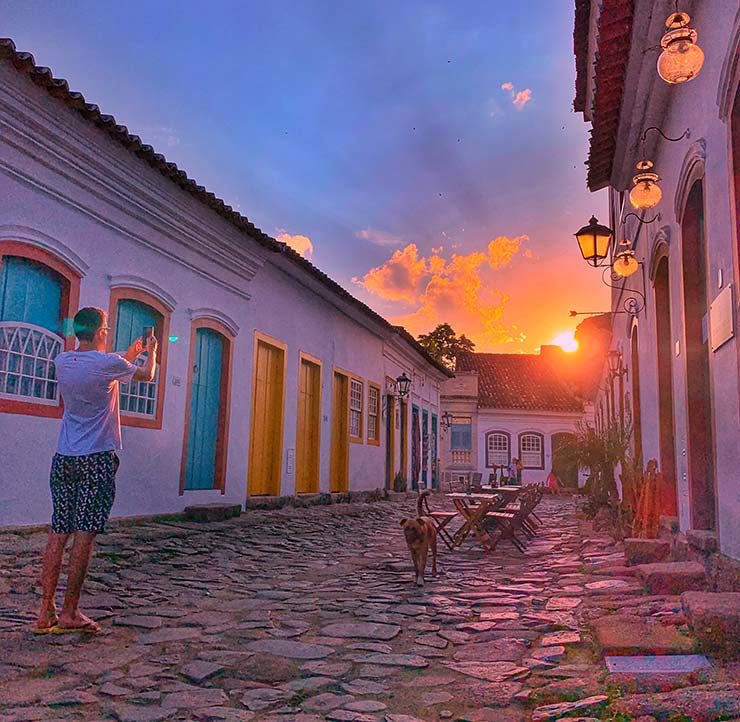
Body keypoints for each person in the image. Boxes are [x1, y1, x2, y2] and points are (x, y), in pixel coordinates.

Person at [35, 307, 157, 634]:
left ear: (77, 331)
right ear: (101, 331)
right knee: (84, 535)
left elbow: (104, 364)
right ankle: (70, 611)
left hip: (64, 456)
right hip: (96, 458)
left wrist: (131, 352)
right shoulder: (107, 365)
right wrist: (151, 353)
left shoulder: (64, 361)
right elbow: (145, 376)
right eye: (106, 327)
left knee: (59, 530)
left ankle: (44, 610)